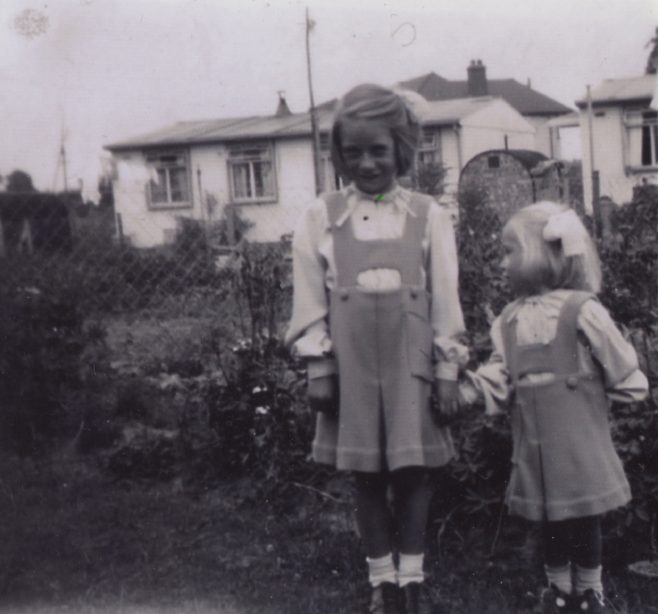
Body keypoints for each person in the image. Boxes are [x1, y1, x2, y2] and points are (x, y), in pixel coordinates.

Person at [285, 83, 467, 614]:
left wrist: (448, 367)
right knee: (366, 475)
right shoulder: (323, 215)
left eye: (378, 150)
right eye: (353, 152)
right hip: (352, 367)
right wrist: (319, 363)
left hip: (411, 363)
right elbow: (308, 296)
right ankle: (380, 581)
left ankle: (412, 579)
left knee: (413, 472)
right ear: (338, 154)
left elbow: (446, 298)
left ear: (401, 150)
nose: (365, 163)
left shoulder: (428, 214)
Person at [459, 202, 648, 614]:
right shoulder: (508, 320)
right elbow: (502, 371)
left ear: (541, 254)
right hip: (535, 443)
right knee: (551, 520)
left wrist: (608, 390)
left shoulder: (582, 311)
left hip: (578, 440)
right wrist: (471, 388)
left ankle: (590, 593)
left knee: (584, 517)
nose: (502, 261)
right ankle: (558, 593)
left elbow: (619, 364)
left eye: (510, 251)